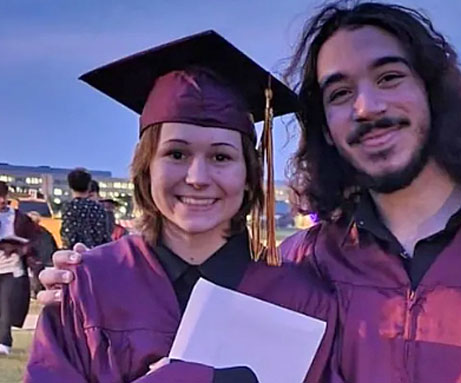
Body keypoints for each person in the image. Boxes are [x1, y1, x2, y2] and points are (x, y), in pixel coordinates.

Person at [39, 2, 461, 382]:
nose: (368, 106)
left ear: (432, 90)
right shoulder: (314, 265)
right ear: (325, 129)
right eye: (338, 93)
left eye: (389, 77)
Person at [26, 31, 335, 383]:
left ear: (250, 174)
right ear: (147, 167)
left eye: (221, 156)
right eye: (176, 153)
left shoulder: (302, 299)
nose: (197, 177)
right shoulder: (89, 284)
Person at [0, 181, 42, 356]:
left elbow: (35, 239)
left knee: (7, 305)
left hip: (12, 267)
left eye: (3, 196)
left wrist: (23, 248)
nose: (1, 200)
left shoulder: (19, 218)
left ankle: (3, 342)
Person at [60, 169, 110, 249]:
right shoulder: (98, 208)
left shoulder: (68, 207)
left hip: (74, 255)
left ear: (70, 186)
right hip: (96, 253)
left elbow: (67, 235)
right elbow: (105, 236)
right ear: (89, 185)